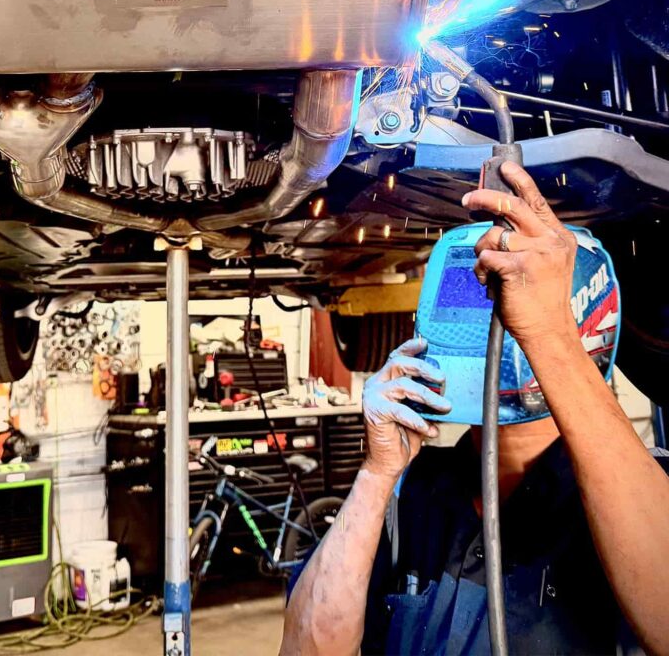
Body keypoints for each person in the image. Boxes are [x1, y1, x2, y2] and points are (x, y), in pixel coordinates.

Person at [280, 163, 669, 656]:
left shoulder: (641, 493)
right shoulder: (413, 493)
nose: (488, 320)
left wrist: (548, 335)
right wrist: (376, 477)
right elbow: (307, 648)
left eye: (504, 296)